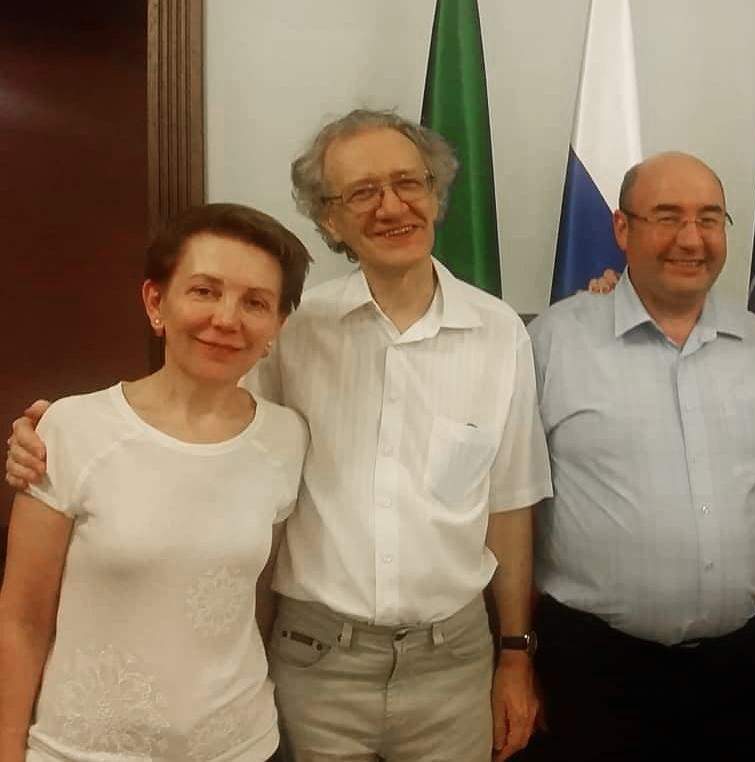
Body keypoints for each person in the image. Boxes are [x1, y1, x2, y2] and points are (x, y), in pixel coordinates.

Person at [6, 108, 552, 762]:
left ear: (436, 193)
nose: (390, 206)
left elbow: (510, 501)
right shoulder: (289, 330)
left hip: (452, 661)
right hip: (315, 660)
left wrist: (516, 653)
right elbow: (199, 436)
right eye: (360, 193)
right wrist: (53, 443)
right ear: (330, 219)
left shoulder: (501, 336)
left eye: (409, 182)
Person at [522, 152, 755, 761]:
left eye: (710, 218)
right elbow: (512, 509)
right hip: (593, 670)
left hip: (739, 672)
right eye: (667, 217)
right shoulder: (549, 344)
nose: (692, 238)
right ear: (622, 229)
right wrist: (516, 656)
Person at [0, 203, 312, 762]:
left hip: (239, 745)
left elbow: (256, 599)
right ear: (155, 302)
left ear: (277, 327)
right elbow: (21, 619)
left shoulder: (287, 439)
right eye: (204, 291)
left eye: (256, 303)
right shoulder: (72, 430)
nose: (227, 318)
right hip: (82, 750)